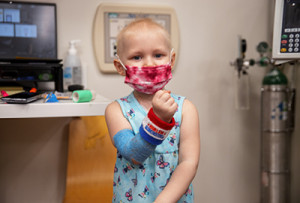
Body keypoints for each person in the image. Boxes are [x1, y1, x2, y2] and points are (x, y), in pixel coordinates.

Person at [105, 18, 200, 203]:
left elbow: (189, 163)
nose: (149, 64)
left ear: (171, 60)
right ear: (119, 67)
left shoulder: (186, 109)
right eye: (137, 57)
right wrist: (158, 120)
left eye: (158, 55)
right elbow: (133, 154)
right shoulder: (116, 110)